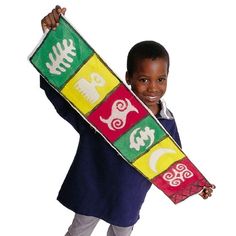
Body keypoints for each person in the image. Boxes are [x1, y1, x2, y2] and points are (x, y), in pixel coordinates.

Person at [40, 5, 215, 236]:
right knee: (79, 231)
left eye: (160, 79)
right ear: (129, 78)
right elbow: (68, 99)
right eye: (144, 79)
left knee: (121, 232)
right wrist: (50, 39)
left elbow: (172, 162)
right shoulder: (104, 107)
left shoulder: (166, 122)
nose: (153, 87)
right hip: (93, 185)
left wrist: (195, 185)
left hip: (128, 197)